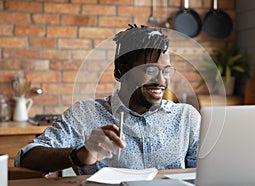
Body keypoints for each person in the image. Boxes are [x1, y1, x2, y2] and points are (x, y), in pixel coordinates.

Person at [15, 24, 201, 175]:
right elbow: (26, 156)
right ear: (122, 71)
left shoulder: (187, 117)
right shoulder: (86, 114)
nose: (161, 81)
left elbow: (202, 175)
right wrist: (79, 155)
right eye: (149, 70)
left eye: (166, 71)